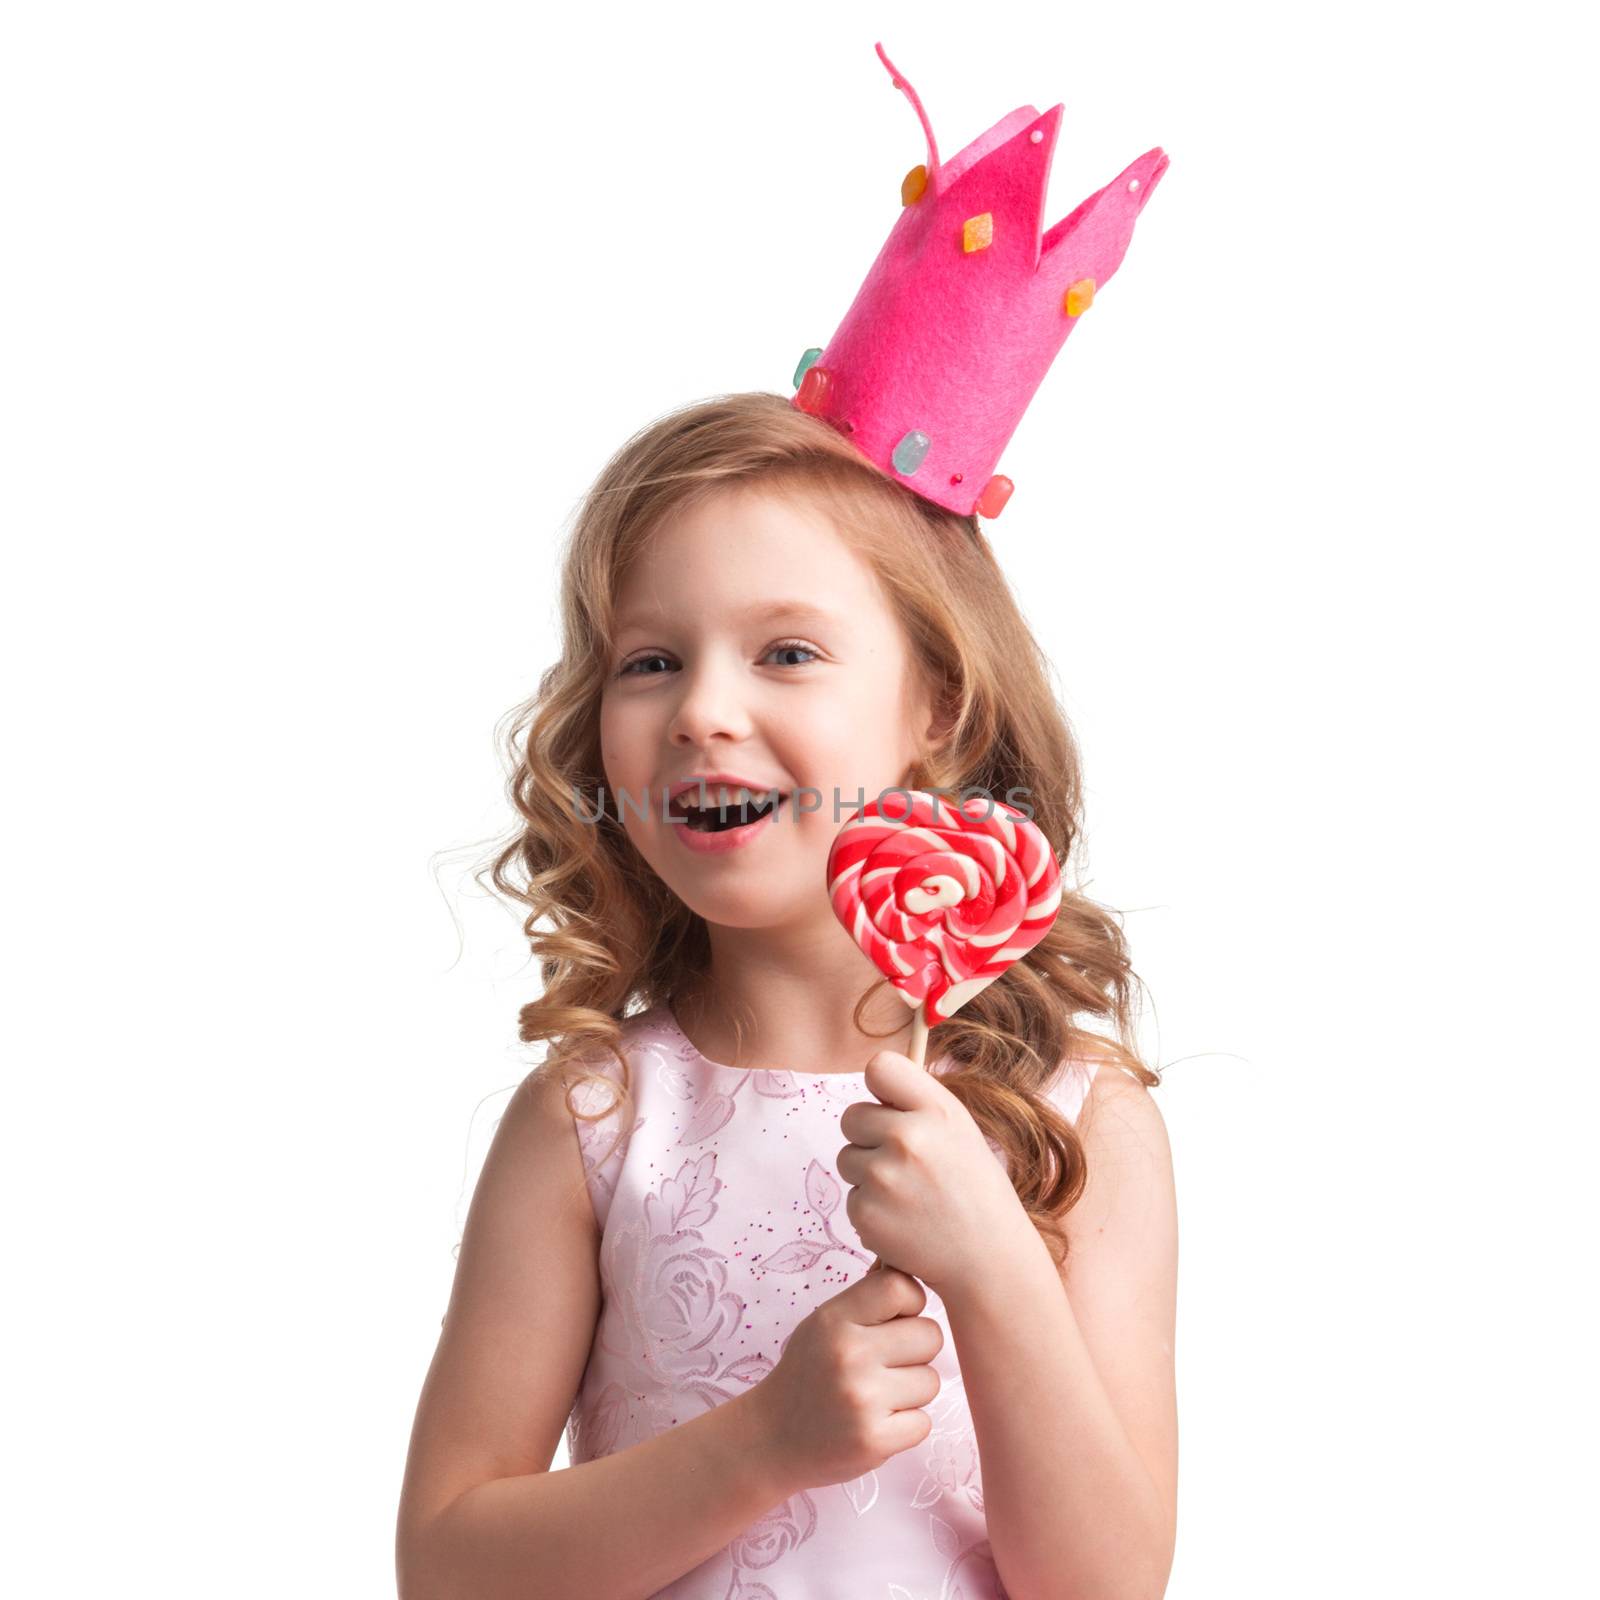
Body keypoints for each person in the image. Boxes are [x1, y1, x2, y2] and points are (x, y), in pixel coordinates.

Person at [394, 390, 1180, 1599]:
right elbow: (447, 1565)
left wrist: (993, 1265)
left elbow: (1106, 1586)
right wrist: (762, 1441)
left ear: (940, 705)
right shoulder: (596, 1120)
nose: (704, 710)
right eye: (649, 661)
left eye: (787, 652)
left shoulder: (1079, 1115)